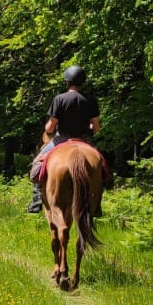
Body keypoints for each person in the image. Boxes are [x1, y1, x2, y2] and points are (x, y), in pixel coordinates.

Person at [27, 64, 101, 213]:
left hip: (62, 140)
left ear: (67, 81)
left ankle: (36, 201)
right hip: (84, 140)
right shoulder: (91, 100)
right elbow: (96, 127)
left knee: (36, 163)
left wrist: (49, 127)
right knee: (102, 166)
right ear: (82, 81)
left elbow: (50, 128)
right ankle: (97, 205)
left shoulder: (60, 99)